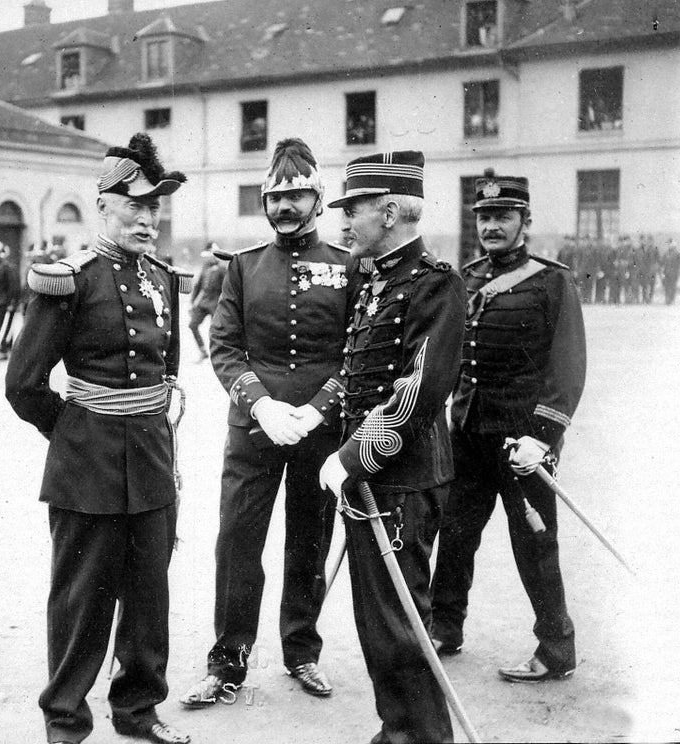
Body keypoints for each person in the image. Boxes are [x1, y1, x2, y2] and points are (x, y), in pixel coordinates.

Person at [6, 132, 191, 744]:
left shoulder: (162, 278)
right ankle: (65, 719)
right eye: (135, 205)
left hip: (151, 460)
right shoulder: (72, 279)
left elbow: (170, 374)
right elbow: (24, 383)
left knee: (148, 599)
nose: (147, 218)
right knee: (81, 601)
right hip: (86, 465)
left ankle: (138, 712)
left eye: (154, 206)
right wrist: (74, 430)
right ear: (104, 207)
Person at [181, 138, 363, 707]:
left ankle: (302, 652)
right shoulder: (241, 267)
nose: (286, 207)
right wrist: (260, 404)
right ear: (264, 200)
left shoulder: (348, 268)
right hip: (254, 431)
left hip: (319, 432)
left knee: (309, 540)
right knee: (237, 541)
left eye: (298, 195)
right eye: (276, 197)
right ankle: (228, 661)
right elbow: (225, 347)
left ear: (318, 197)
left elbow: (356, 354)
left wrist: (316, 410)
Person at [317, 151, 465, 744]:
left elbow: (417, 392)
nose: (345, 222)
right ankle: (398, 730)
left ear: (392, 210)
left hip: (400, 481)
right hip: (374, 483)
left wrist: (351, 457)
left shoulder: (435, 284)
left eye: (354, 209)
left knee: (401, 625)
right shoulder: (376, 280)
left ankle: (421, 738)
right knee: (379, 625)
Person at [429, 172, 586, 683]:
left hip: (522, 443)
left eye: (503, 216)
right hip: (469, 434)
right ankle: (445, 628)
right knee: (454, 536)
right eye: (485, 217)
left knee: (535, 546)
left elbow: (567, 369)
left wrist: (542, 438)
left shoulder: (552, 281)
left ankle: (556, 650)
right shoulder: (467, 278)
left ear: (525, 221)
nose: (492, 226)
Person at [186, 244, 225, 360]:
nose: (207, 258)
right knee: (192, 325)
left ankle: (218, 355)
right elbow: (198, 286)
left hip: (216, 305)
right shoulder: (205, 268)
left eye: (210, 256)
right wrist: (192, 302)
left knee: (216, 331)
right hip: (203, 303)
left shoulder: (222, 270)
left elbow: (226, 289)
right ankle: (203, 351)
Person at [661, 239, 680, 305]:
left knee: (673, 286)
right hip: (666, 273)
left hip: (674, 273)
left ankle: (672, 299)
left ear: (674, 245)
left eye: (671, 244)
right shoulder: (666, 254)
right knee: (666, 286)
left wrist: (679, 272)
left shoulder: (677, 254)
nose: (670, 246)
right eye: (669, 244)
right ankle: (667, 299)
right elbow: (662, 262)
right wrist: (662, 271)